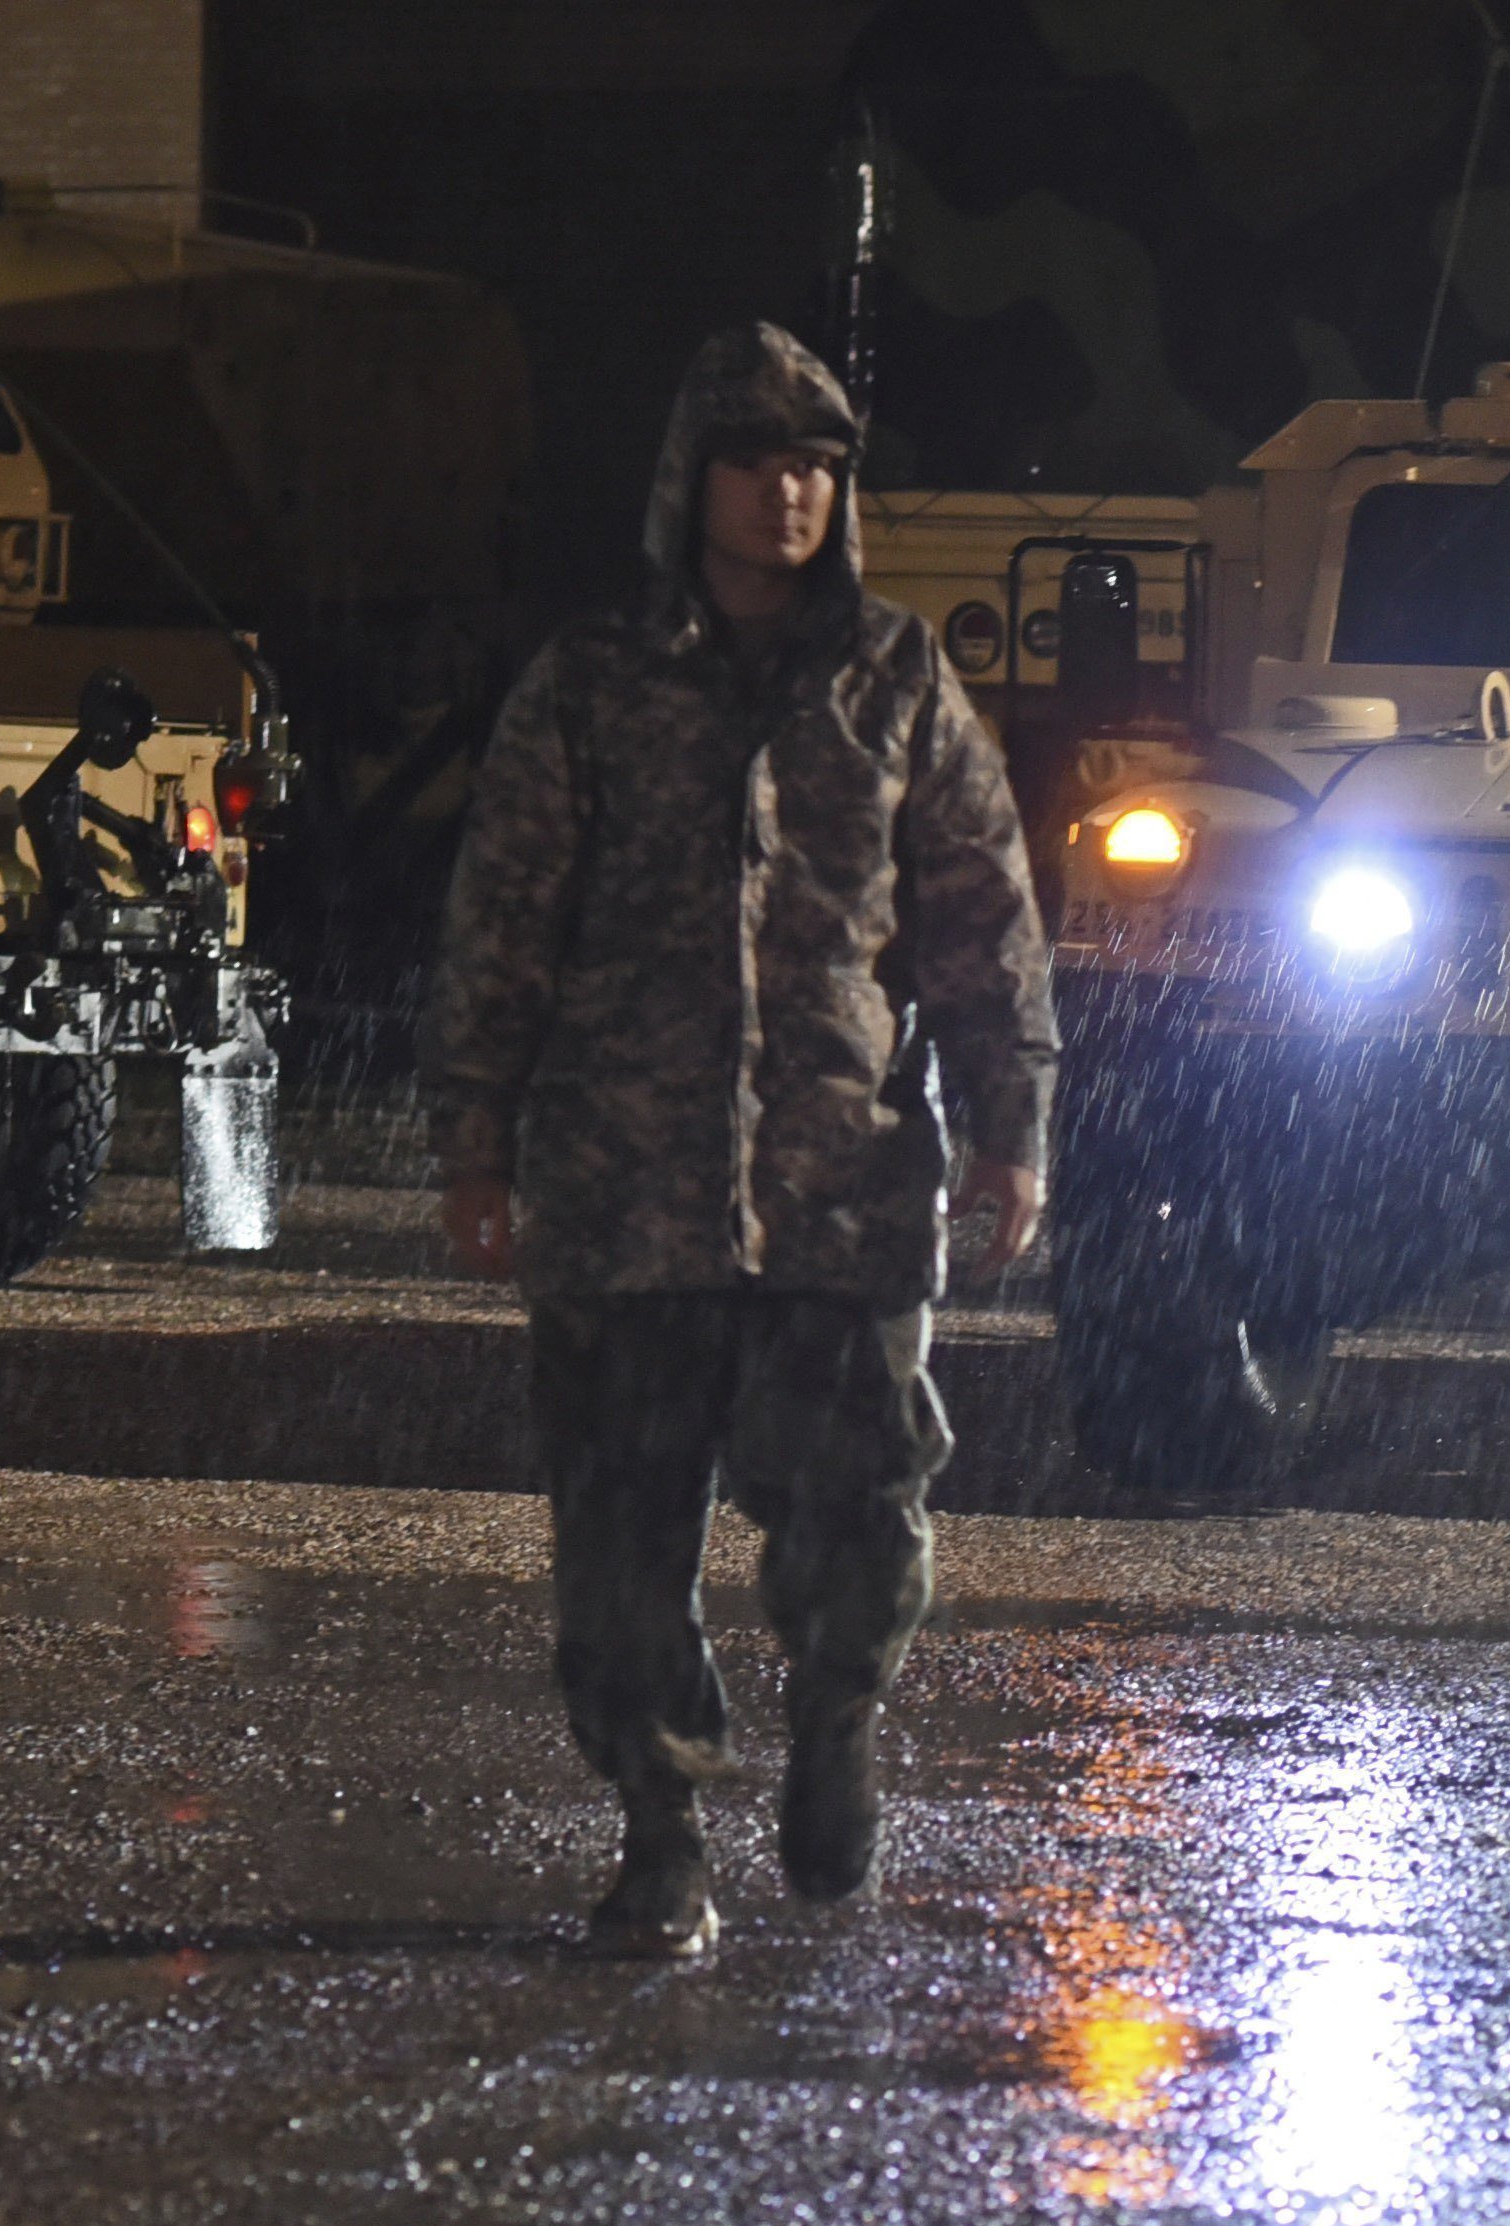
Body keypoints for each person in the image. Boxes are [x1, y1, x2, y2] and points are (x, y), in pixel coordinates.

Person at [425, 321, 1056, 1959]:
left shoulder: (895, 677)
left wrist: (1012, 1127)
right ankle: (659, 1834)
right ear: (689, 479)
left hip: (837, 1184)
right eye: (757, 461)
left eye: (817, 467)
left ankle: (836, 1723)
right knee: (622, 1545)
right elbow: (504, 914)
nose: (788, 493)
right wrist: (474, 1137)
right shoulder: (594, 679)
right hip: (621, 1191)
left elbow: (985, 917)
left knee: (865, 1507)